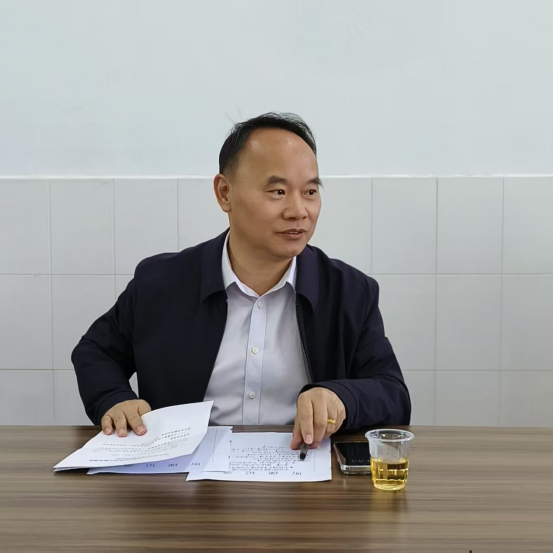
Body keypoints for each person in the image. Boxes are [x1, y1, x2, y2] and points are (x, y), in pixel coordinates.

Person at [72, 112, 410, 451]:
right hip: (181, 474)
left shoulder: (349, 292)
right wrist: (114, 399)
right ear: (224, 193)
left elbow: (392, 393)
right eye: (278, 191)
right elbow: (96, 352)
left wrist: (341, 397)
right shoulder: (161, 283)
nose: (298, 211)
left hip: (301, 469)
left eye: (310, 191)